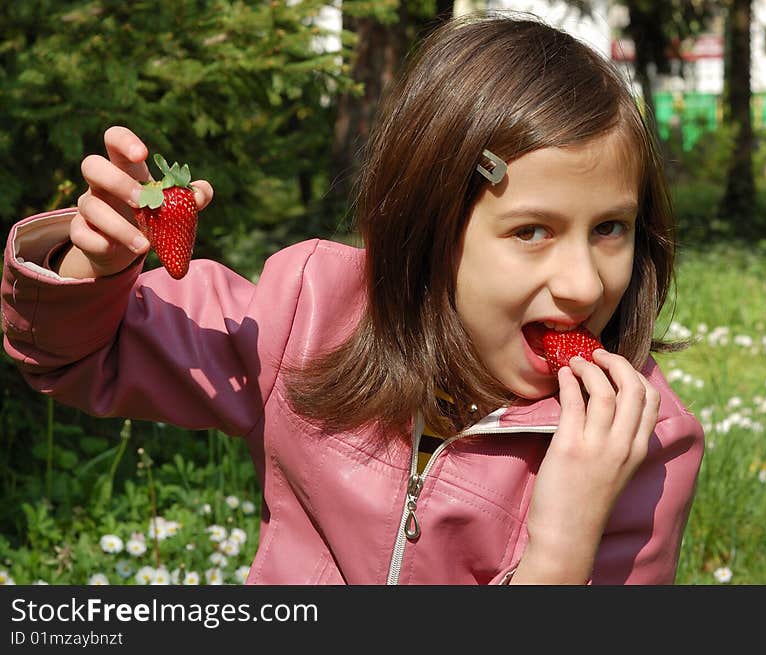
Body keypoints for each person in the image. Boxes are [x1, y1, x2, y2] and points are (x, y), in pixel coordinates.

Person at [1, 11, 704, 585]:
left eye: (610, 227)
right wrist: (90, 263)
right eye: (531, 231)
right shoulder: (307, 314)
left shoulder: (642, 444)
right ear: (427, 227)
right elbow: (73, 355)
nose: (583, 283)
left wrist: (561, 545)